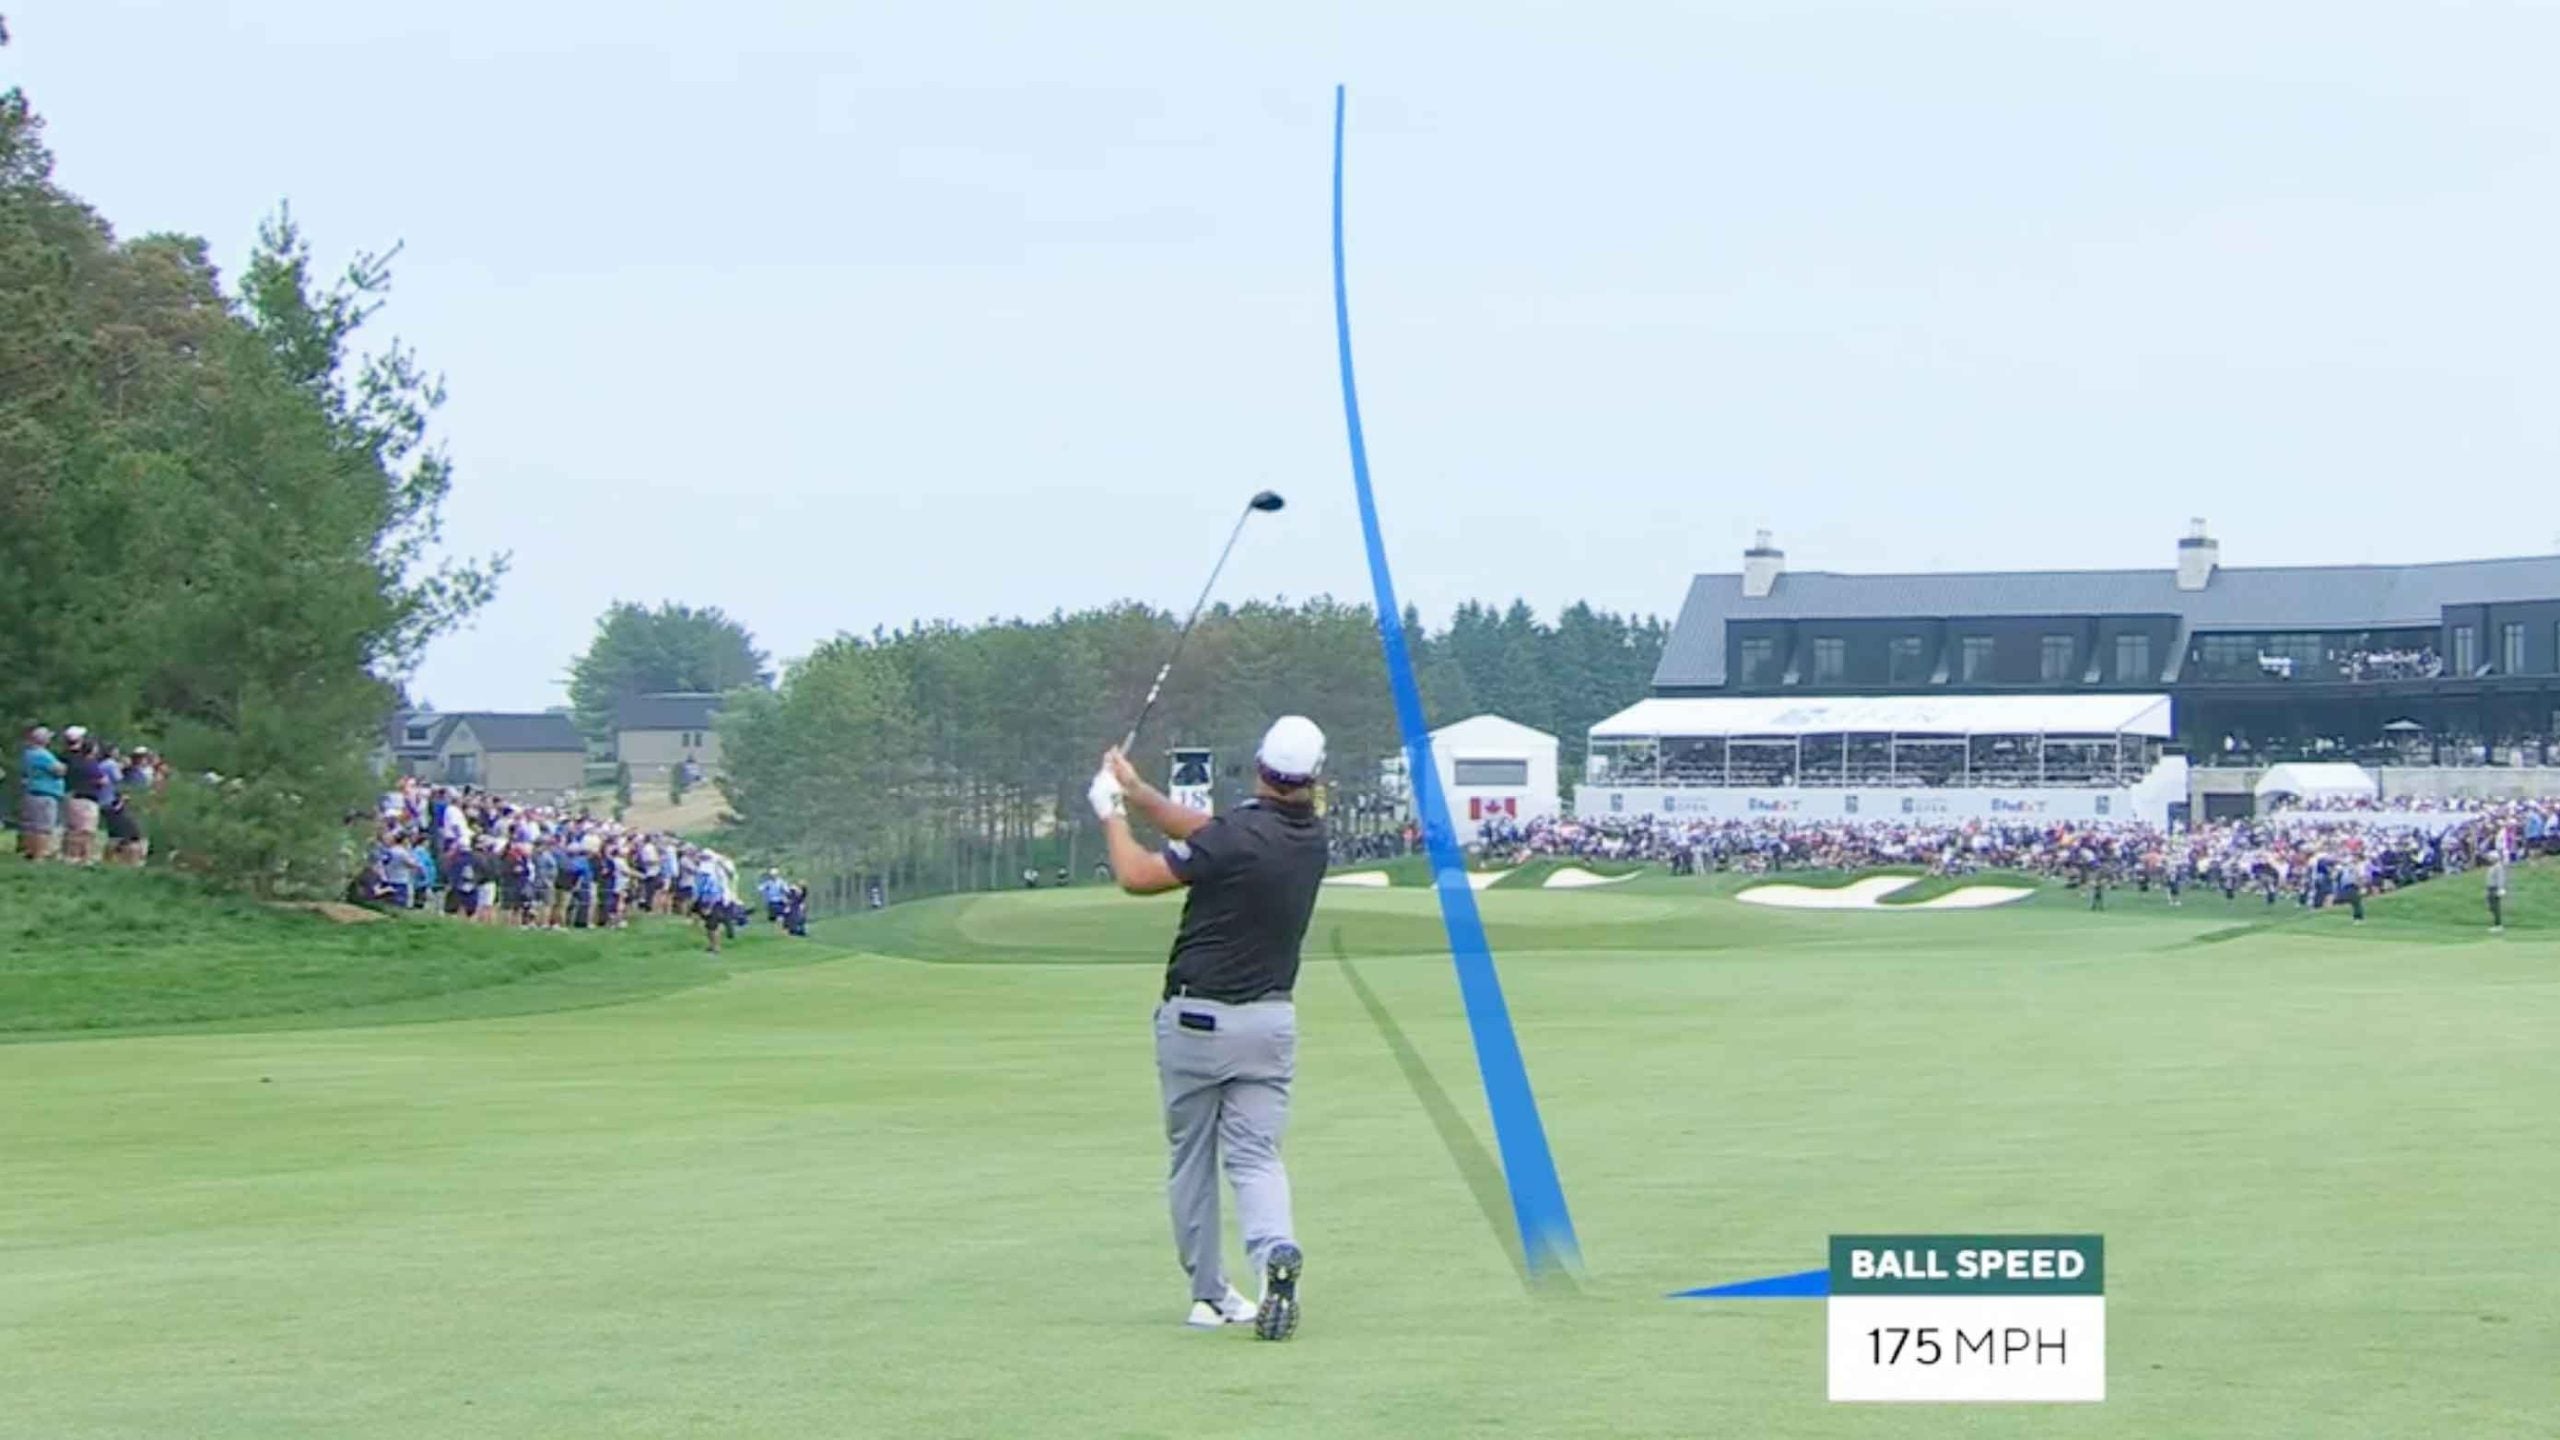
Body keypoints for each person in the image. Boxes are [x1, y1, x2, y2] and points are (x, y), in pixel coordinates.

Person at [1093, 715, 1328, 1341]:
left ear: (1259, 766)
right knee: (1256, 1157)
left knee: (1192, 1158)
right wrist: (1138, 792)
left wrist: (1110, 813)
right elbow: (1205, 832)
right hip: (1270, 1022)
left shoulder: (1236, 837)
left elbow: (1137, 876)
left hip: (1197, 1023)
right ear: (1314, 778)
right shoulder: (1310, 839)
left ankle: (1210, 1295)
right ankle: (1275, 1249)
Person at [18, 726, 66, 861]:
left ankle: (31, 853)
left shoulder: (28, 753)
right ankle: (39, 856)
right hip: (44, 793)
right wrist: (62, 766)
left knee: (32, 825)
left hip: (34, 792)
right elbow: (58, 770)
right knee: (42, 827)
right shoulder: (41, 754)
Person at [2486, 850, 2509, 934]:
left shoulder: (2498, 866)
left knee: (2496, 908)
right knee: (2492, 908)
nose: (2489, 859)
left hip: (2495, 888)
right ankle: (2495, 924)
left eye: (2490, 857)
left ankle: (2498, 925)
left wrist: (2501, 889)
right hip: (2490, 888)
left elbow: (2500, 878)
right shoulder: (2492, 866)